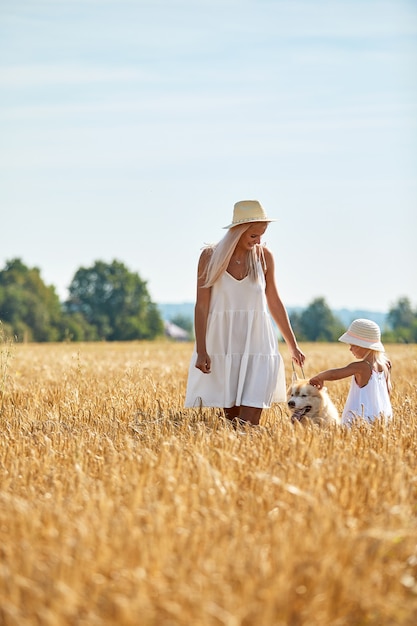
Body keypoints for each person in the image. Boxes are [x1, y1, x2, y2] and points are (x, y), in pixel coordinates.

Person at [184, 199, 305, 426]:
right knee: (233, 425)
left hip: (258, 345)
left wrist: (292, 344)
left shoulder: (264, 257)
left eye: (261, 235)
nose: (258, 240)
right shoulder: (209, 257)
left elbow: (275, 302)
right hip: (224, 346)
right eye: (253, 236)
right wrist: (201, 350)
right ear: (238, 231)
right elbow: (201, 307)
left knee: (249, 423)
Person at [309, 318, 392, 426]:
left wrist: (319, 377)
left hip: (360, 420)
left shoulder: (361, 367)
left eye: (353, 345)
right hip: (382, 418)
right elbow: (388, 390)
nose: (350, 349)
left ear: (365, 346)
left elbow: (335, 374)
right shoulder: (385, 365)